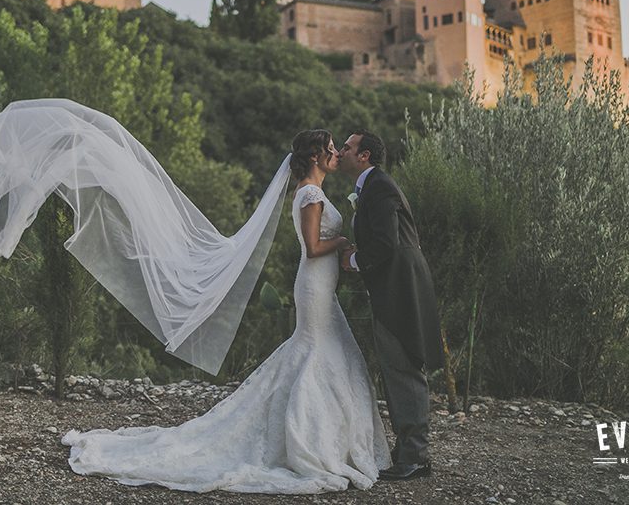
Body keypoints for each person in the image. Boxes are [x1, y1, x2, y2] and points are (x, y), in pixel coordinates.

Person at [60, 129, 392, 493]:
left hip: (320, 284)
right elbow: (313, 247)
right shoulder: (311, 194)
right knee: (315, 352)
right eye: (330, 150)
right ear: (314, 156)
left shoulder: (314, 192)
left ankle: (323, 437)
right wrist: (344, 242)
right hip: (313, 283)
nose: (335, 154)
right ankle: (311, 441)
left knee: (322, 352)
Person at [336, 130, 445, 481]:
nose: (341, 151)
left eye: (348, 147)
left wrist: (352, 261)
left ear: (364, 155)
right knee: (397, 366)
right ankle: (410, 450)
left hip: (400, 289)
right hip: (395, 287)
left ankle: (415, 456)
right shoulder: (373, 186)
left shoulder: (379, 187)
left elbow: (386, 243)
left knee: (402, 366)